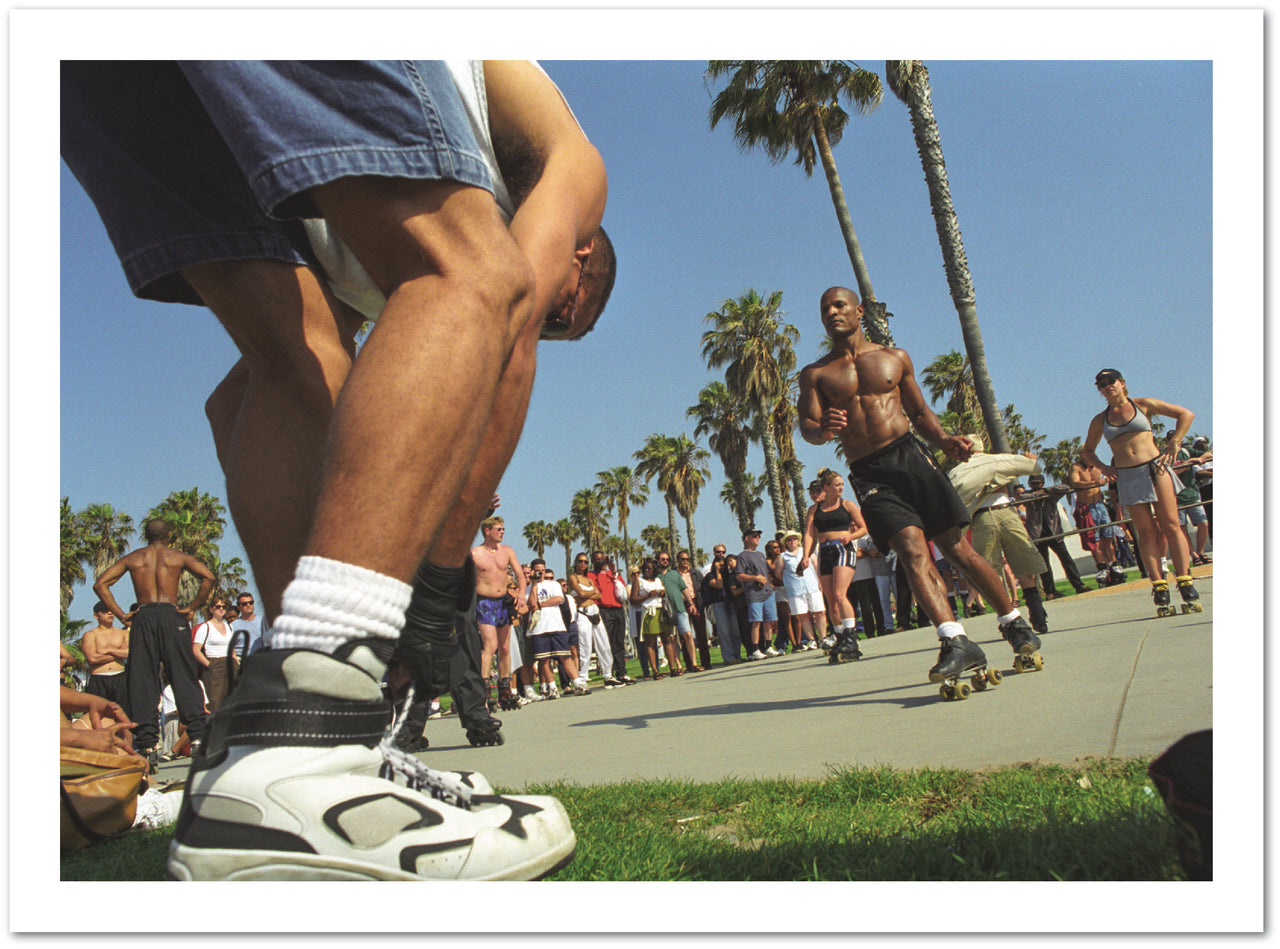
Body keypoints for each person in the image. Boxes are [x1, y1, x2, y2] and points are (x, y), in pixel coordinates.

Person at [63, 59, 612, 880]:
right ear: (588, 250)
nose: (564, 310)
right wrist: (436, 578)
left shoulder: (351, 249)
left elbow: (241, 401)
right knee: (474, 270)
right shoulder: (573, 161)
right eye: (582, 293)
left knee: (291, 356)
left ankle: (298, 756)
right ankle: (310, 727)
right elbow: (512, 313)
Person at [798, 286, 1043, 686]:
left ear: (859, 310)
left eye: (839, 305)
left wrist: (945, 441)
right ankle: (954, 640)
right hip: (869, 472)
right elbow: (807, 427)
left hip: (912, 457)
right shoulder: (817, 374)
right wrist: (821, 428)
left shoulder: (894, 358)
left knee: (956, 548)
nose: (832, 312)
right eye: (825, 308)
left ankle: (1014, 623)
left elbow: (919, 411)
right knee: (911, 550)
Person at [91, 518, 215, 767]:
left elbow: (100, 584)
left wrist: (121, 614)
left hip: (144, 615)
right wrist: (191, 607)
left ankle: (147, 744)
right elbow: (208, 577)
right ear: (169, 534)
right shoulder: (176, 556)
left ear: (144, 535)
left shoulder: (134, 558)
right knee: (183, 675)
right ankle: (199, 737)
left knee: (143, 680)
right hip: (171, 615)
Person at [1082, 368, 1202, 614]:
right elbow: (1088, 451)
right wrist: (1105, 467)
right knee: (1144, 531)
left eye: (1111, 381)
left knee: (1170, 524)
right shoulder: (1100, 420)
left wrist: (1175, 440)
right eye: (1102, 384)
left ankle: (1184, 580)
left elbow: (1185, 414)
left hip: (1154, 468)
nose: (1107, 386)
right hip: (1126, 475)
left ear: (1122, 383)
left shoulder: (1143, 405)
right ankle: (1159, 584)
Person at [946, 436, 1051, 635]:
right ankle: (1037, 611)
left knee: (988, 570)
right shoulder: (997, 460)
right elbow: (1034, 468)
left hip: (981, 518)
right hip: (1005, 511)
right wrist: (1029, 459)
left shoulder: (956, 472)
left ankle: (1008, 618)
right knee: (1024, 561)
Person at [800, 468, 868, 662]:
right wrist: (805, 555)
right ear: (827, 487)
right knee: (830, 599)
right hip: (825, 551)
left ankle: (851, 635)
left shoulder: (847, 505)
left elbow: (863, 527)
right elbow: (809, 534)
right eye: (837, 485)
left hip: (843, 549)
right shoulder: (815, 509)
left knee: (840, 594)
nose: (841, 488)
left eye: (842, 485)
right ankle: (839, 634)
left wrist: (851, 536)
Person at [471, 516, 527, 709]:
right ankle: (483, 691)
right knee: (490, 646)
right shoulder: (475, 554)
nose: (502, 532)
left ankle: (505, 689)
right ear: (487, 531)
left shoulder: (507, 551)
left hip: (503, 602)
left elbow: (520, 576)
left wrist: (521, 594)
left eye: (503, 529)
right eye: (498, 529)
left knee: (504, 647)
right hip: (484, 602)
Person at [1021, 474, 1089, 597]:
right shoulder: (1027, 496)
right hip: (1038, 536)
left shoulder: (1050, 495)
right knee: (1044, 565)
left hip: (1054, 532)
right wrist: (1039, 494)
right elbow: (1021, 497)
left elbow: (1066, 487)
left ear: (1043, 483)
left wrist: (1048, 490)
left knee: (1067, 560)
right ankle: (1050, 592)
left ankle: (1078, 585)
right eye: (1033, 483)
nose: (1036, 485)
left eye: (1038, 483)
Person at [1070, 449, 1127, 587]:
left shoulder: (1097, 466)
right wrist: (1093, 484)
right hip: (1086, 507)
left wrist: (1107, 479)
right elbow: (1074, 483)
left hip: (1100, 504)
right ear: (1081, 455)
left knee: (1108, 536)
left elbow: (1110, 475)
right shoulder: (1076, 467)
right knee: (1094, 540)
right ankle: (1101, 567)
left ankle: (1114, 564)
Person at [567, 552, 617, 689]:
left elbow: (598, 594)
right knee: (585, 646)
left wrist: (584, 595)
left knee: (604, 643)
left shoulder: (588, 579)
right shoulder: (573, 577)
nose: (583, 564)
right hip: (583, 614)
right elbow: (582, 593)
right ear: (576, 562)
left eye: (586, 562)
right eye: (580, 561)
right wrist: (588, 594)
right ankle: (582, 677)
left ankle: (608, 674)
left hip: (595, 612)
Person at [589, 549, 634, 685]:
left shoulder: (612, 574)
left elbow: (623, 591)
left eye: (602, 558)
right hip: (603, 610)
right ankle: (608, 674)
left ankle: (622, 672)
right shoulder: (591, 575)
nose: (600, 561)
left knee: (619, 642)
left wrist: (613, 571)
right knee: (606, 644)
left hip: (618, 609)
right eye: (597, 559)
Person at [80, 601, 131, 716]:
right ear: (96, 616)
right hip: (98, 679)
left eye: (111, 611)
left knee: (124, 714)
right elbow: (92, 658)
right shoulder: (90, 635)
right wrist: (118, 654)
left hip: (120, 678)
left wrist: (108, 651)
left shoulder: (123, 633)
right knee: (96, 714)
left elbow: (130, 654)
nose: (109, 613)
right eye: (105, 612)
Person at [630, 558, 677, 680]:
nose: (646, 570)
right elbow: (633, 600)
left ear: (654, 570)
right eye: (645, 568)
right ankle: (655, 671)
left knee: (667, 639)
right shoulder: (638, 582)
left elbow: (665, 592)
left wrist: (662, 593)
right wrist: (647, 596)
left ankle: (672, 668)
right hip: (649, 612)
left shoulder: (658, 580)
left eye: (649, 568)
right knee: (650, 643)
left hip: (661, 610)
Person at [735, 529, 777, 661]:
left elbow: (767, 571)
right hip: (754, 595)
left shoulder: (760, 555)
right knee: (756, 622)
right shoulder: (742, 556)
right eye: (754, 536)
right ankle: (755, 649)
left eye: (759, 535)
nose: (758, 537)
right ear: (747, 538)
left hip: (767, 593)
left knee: (769, 620)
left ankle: (768, 647)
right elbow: (739, 575)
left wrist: (769, 582)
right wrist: (755, 578)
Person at [776, 531, 823, 650]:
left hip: (811, 585)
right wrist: (789, 582)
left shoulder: (807, 551)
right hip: (795, 590)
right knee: (803, 615)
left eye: (794, 539)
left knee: (819, 612)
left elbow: (816, 566)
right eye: (789, 539)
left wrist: (820, 582)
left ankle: (823, 638)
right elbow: (778, 573)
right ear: (786, 542)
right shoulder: (783, 557)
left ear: (798, 540)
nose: (792, 541)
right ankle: (812, 639)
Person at [1172, 438, 1213, 566]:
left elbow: (1208, 455)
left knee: (1204, 523)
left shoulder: (1186, 451)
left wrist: (1198, 460)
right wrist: (1189, 463)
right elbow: (1173, 472)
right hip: (1177, 497)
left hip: (1193, 494)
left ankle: (1200, 552)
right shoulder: (1165, 456)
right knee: (1182, 528)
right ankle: (1194, 555)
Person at [191, 597, 236, 711]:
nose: (221, 609)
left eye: (223, 607)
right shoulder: (205, 627)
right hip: (214, 663)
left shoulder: (229, 626)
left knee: (232, 699)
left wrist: (235, 660)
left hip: (230, 664)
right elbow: (196, 650)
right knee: (215, 702)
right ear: (211, 609)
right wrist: (209, 665)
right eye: (218, 606)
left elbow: (232, 648)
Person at [702, 544, 742, 665]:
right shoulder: (710, 576)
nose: (722, 566)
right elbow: (718, 585)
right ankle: (729, 658)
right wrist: (718, 572)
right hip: (718, 605)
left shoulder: (729, 576)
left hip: (730, 604)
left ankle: (737, 655)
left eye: (723, 565)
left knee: (735, 631)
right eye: (719, 564)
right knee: (724, 632)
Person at [675, 550, 713, 669]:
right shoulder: (674, 574)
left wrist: (702, 602)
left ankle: (706, 662)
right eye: (683, 559)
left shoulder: (695, 573)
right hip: (681, 605)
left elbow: (703, 587)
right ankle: (690, 664)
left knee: (701, 634)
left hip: (696, 603)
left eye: (687, 559)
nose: (686, 561)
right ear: (678, 561)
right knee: (684, 636)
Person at [230, 590, 266, 655]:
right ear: (238, 607)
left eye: (251, 602)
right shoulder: (233, 625)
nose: (248, 605)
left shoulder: (263, 621)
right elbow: (229, 647)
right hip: (242, 660)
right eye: (244, 604)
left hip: (261, 658)